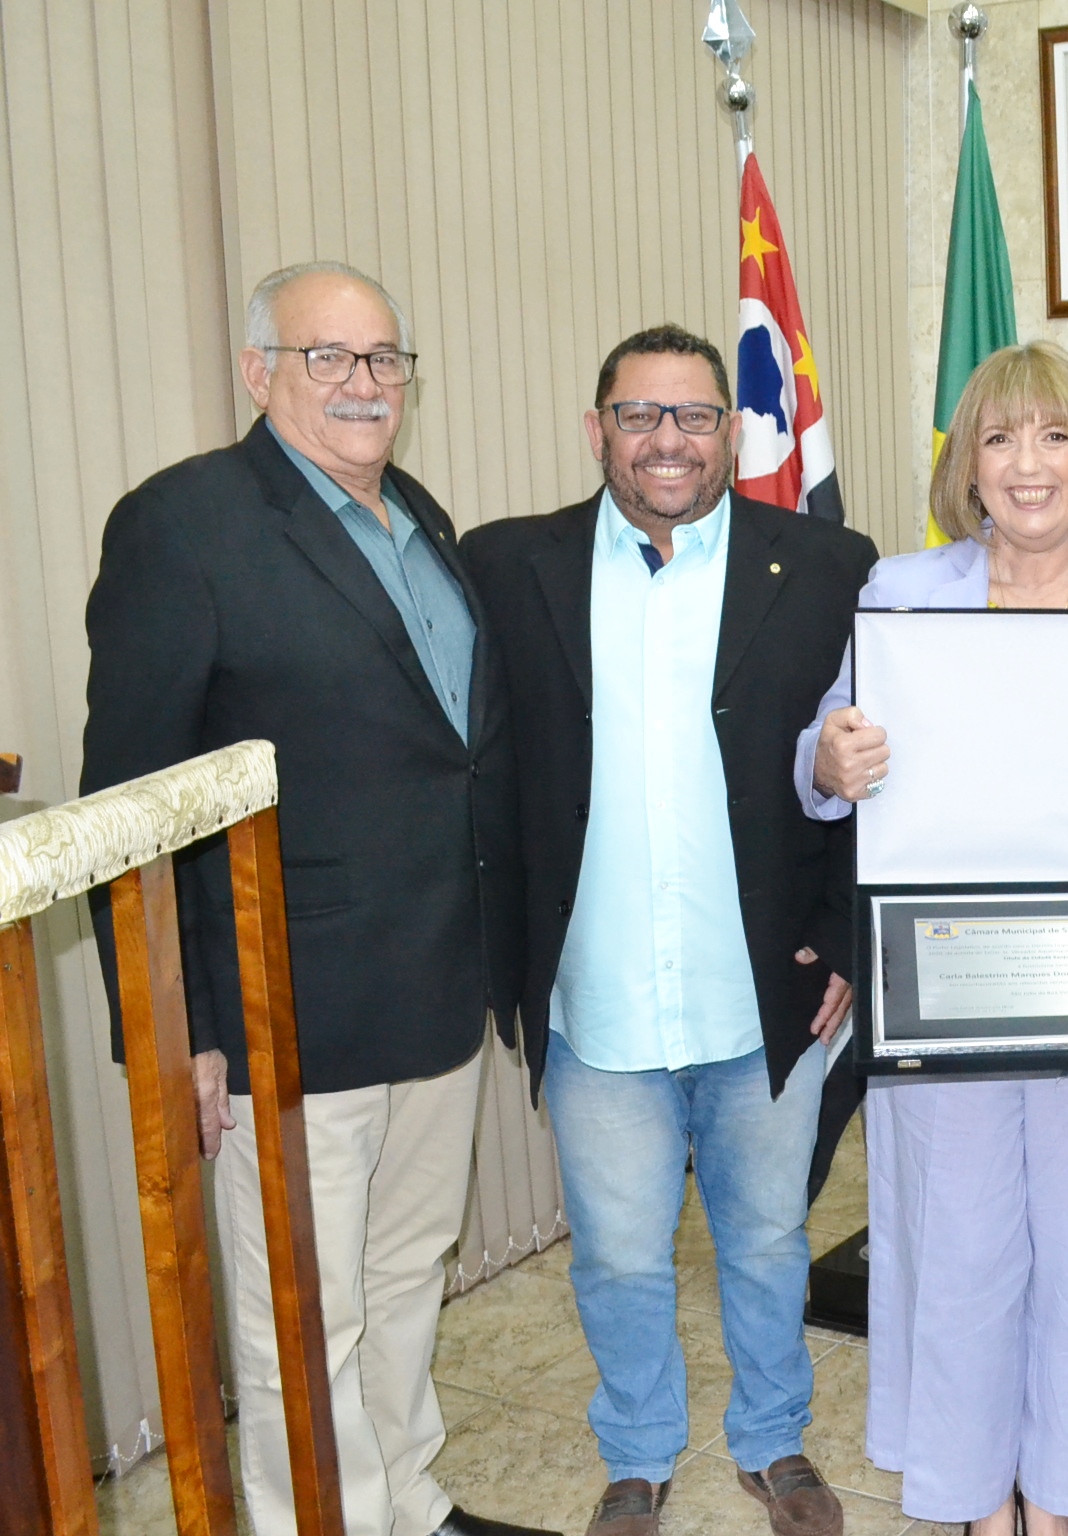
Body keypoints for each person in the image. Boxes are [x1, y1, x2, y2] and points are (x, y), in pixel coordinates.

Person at [80, 262, 543, 1536]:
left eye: (383, 357)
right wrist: (178, 1030)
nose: (362, 383)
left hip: (439, 986)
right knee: (300, 1310)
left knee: (403, 1273)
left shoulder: (418, 515)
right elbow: (129, 803)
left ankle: (406, 1501)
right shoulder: (182, 525)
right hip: (285, 1008)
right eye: (326, 356)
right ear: (258, 373)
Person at [795, 340, 1068, 1536]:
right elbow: (825, 755)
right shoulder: (899, 594)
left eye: (1056, 435)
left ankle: (1060, 1501)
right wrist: (829, 761)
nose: (1028, 462)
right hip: (942, 970)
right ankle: (975, 1503)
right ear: (968, 466)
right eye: (999, 437)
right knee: (960, 1248)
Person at [460, 326, 878, 1536]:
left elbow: (868, 768)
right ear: (597, 430)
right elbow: (478, 768)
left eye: (694, 416)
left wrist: (847, 942)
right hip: (596, 999)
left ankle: (774, 1439)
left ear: (733, 434)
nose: (668, 441)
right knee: (621, 1256)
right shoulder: (508, 565)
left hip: (765, 992)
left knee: (767, 1240)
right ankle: (639, 1453)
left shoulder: (827, 563)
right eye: (639, 415)